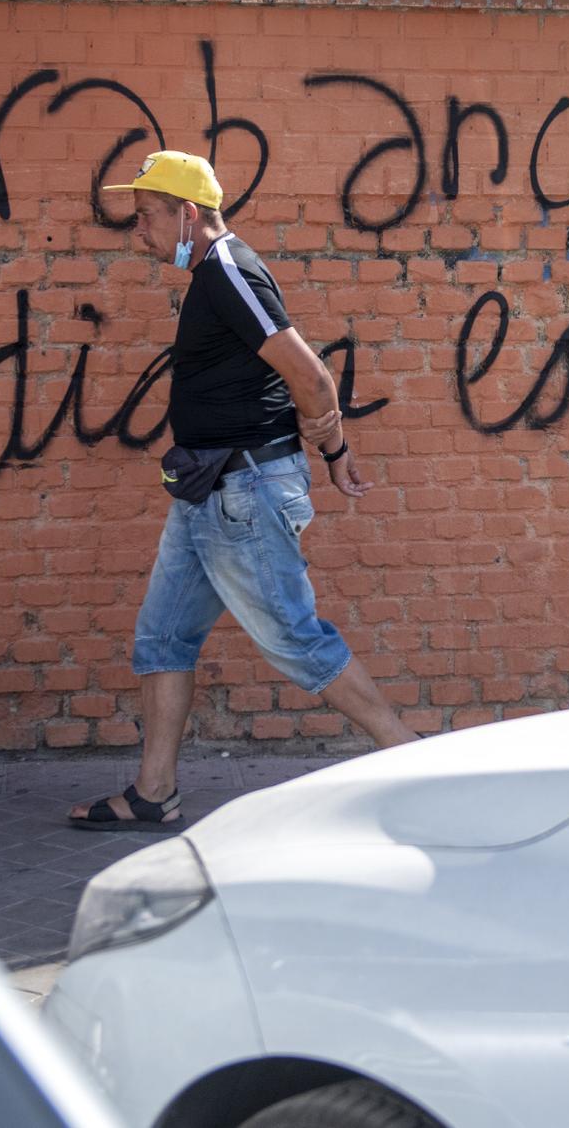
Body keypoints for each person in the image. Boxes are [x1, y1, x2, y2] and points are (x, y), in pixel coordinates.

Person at [70, 150, 415, 831]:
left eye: (146, 217)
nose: (137, 232)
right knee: (163, 638)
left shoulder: (227, 270)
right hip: (211, 491)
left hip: (244, 492)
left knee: (295, 639)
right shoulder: (212, 274)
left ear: (187, 214)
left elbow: (311, 379)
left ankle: (411, 761)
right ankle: (153, 793)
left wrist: (337, 450)